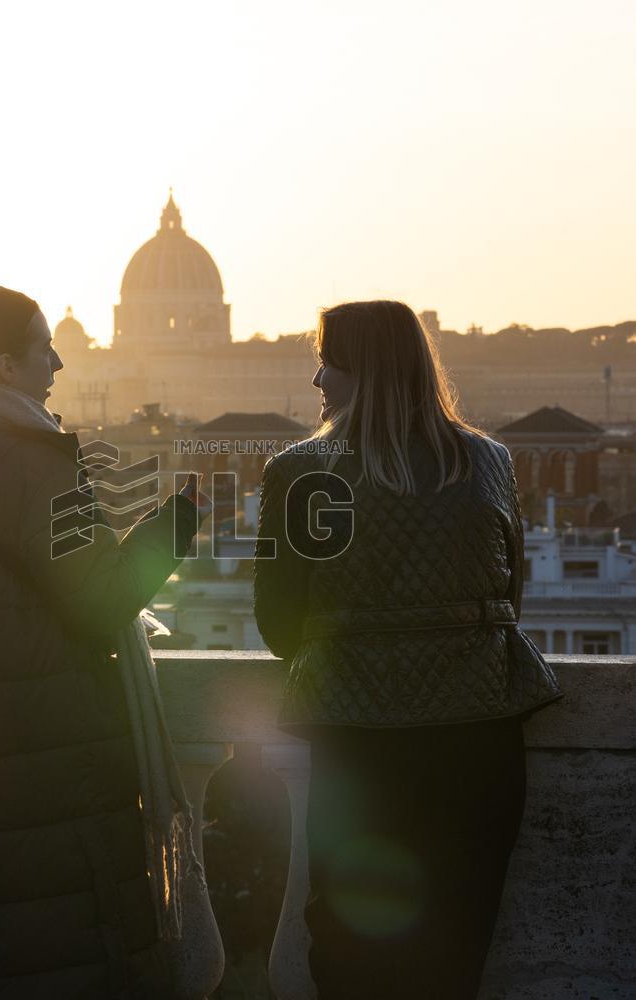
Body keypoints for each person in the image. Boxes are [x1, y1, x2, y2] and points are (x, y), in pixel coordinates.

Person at [0, 279, 211, 1000]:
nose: (57, 364)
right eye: (43, 348)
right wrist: (175, 522)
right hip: (46, 775)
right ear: (1, 366)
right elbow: (102, 599)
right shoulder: (31, 461)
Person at [252, 300, 562, 1000]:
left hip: (359, 739)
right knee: (457, 940)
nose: (317, 381)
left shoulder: (299, 471)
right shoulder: (489, 460)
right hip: (478, 732)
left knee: (351, 945)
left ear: (364, 369)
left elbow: (276, 623)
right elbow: (511, 592)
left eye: (327, 361)